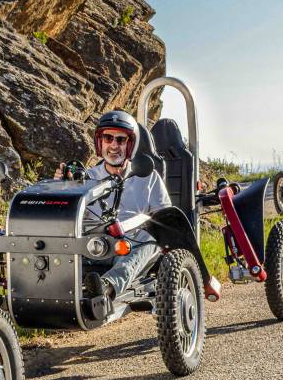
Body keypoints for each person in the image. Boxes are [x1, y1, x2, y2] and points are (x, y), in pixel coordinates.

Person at [62, 109, 221, 319]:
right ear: (100, 142)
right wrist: (64, 186)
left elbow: (164, 219)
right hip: (97, 245)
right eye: (108, 138)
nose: (114, 145)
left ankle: (106, 289)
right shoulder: (85, 178)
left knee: (149, 239)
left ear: (130, 146)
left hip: (135, 244)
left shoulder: (148, 176)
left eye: (120, 140)